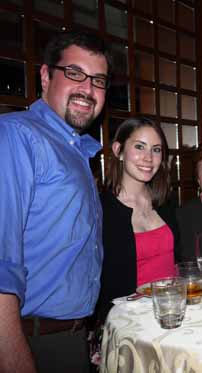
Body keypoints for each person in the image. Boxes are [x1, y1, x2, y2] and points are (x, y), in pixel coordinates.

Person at [0, 31, 112, 373]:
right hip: (30, 341)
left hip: (69, 338)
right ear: (46, 76)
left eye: (98, 80)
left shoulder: (77, 151)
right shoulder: (16, 135)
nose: (87, 89)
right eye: (75, 73)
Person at [97, 117, 179, 317]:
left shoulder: (165, 202)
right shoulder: (100, 209)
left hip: (171, 310)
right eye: (139, 147)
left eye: (156, 149)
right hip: (128, 320)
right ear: (118, 151)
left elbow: (180, 261)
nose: (148, 158)